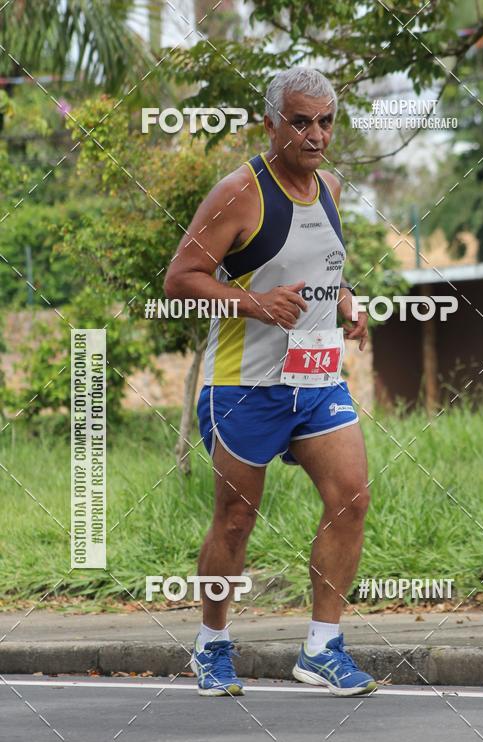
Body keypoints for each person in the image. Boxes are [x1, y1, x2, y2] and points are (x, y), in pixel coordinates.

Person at [164, 66, 376, 697]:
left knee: (352, 497)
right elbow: (181, 278)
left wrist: (345, 299)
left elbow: (321, 264)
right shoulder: (238, 193)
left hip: (314, 380)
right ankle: (210, 644)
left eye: (326, 121)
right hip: (243, 386)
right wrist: (253, 303)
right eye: (302, 121)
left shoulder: (331, 187)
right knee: (234, 519)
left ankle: (321, 646)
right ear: (271, 125)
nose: (316, 135)